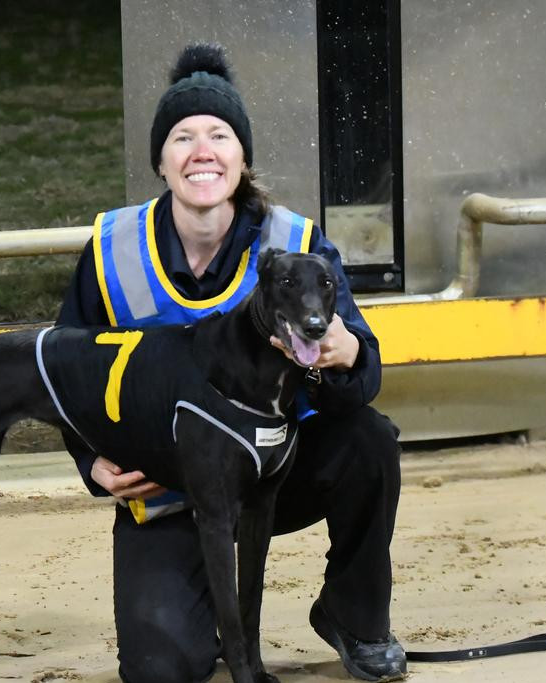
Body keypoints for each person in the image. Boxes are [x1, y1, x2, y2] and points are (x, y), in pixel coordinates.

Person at [56, 43, 406, 683]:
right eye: (182, 138)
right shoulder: (113, 251)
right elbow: (67, 369)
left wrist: (348, 352)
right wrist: (89, 459)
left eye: (220, 135)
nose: (202, 150)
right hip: (166, 489)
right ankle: (199, 624)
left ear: (242, 160)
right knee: (163, 670)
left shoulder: (296, 245)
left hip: (267, 478)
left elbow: (364, 379)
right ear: (160, 162)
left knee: (369, 441)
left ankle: (355, 619)